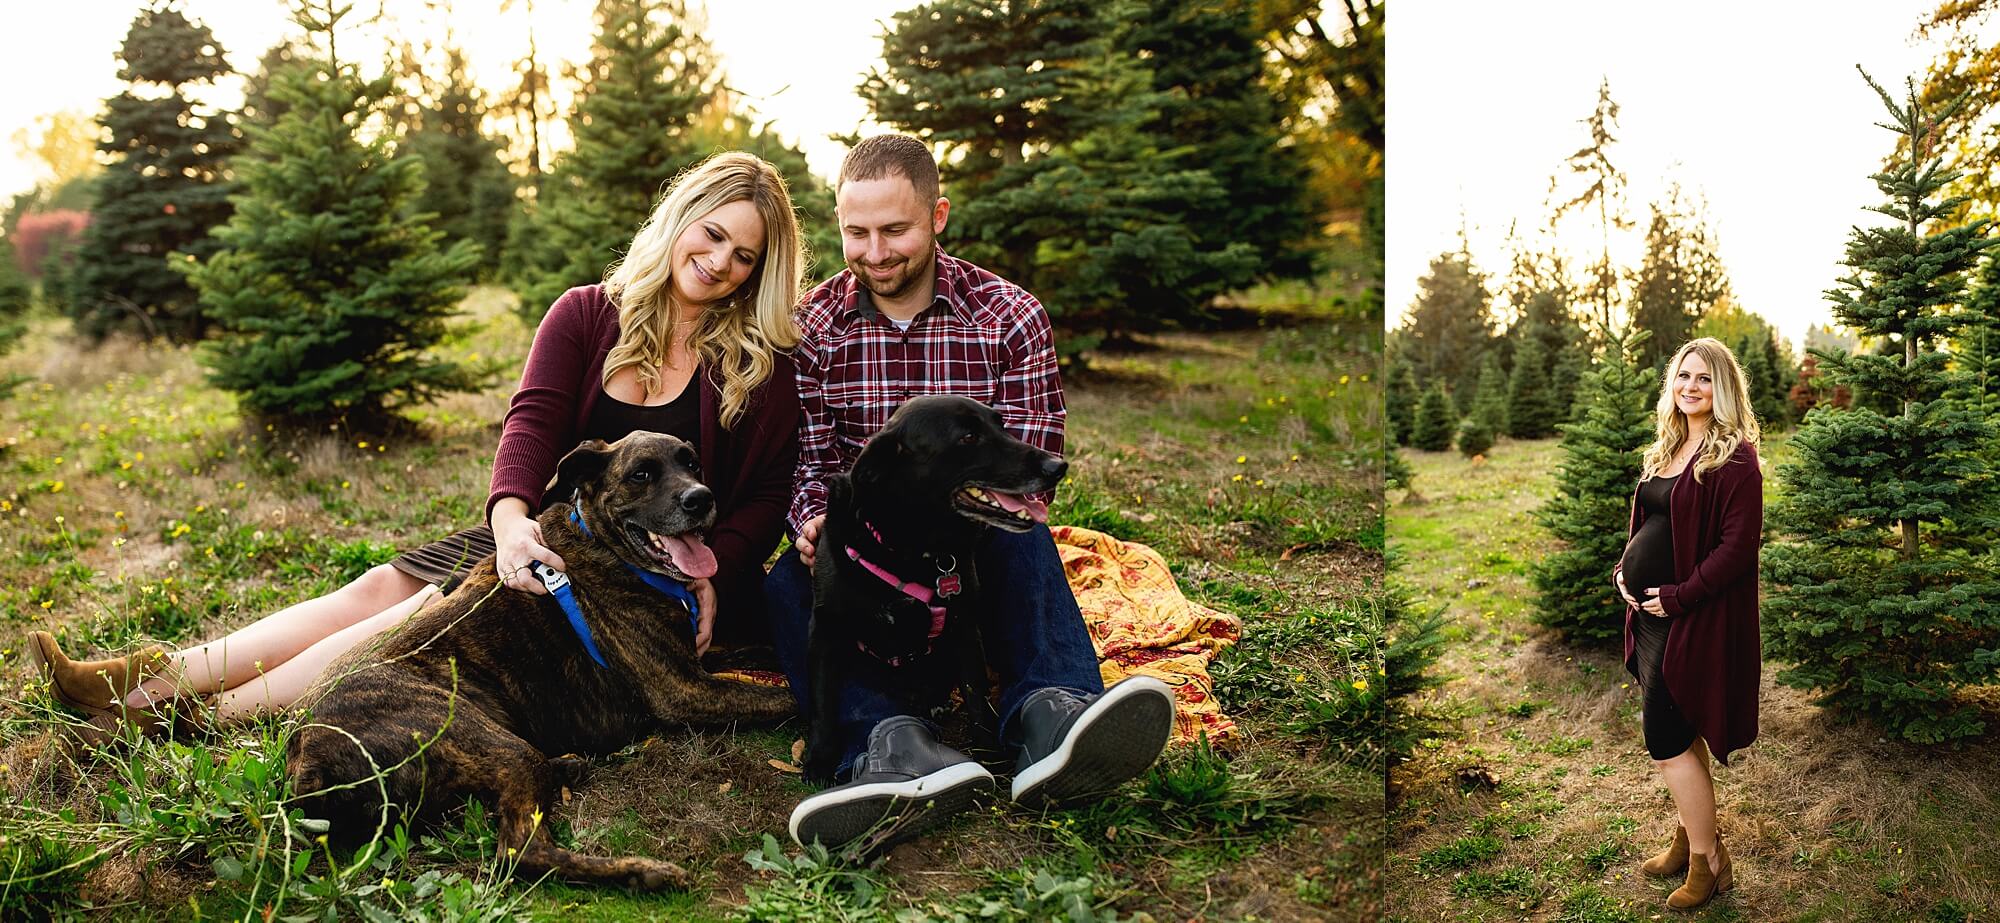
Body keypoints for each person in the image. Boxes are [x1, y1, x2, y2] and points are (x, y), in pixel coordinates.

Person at [31, 151, 806, 736]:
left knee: (414, 616)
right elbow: (531, 425)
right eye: (713, 235)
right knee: (378, 585)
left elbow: (770, 492)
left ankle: (192, 720)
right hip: (550, 539)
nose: (722, 263)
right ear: (681, 220)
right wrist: (509, 522)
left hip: (657, 575)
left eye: (746, 256)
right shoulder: (584, 314)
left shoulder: (754, 360)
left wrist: (713, 574)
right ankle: (142, 680)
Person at [767, 134, 1174, 852]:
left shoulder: (1008, 317)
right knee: (787, 586)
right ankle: (888, 745)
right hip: (867, 548)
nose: (874, 251)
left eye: (895, 229)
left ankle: (1051, 713)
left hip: (973, 539)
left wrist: (977, 514)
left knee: (1024, 535)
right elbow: (809, 460)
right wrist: (813, 520)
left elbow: (1034, 459)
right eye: (855, 232)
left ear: (939, 215)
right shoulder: (814, 327)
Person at [1612, 337, 1762, 910]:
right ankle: (1692, 835)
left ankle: (1710, 865)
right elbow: (1650, 523)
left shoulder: (1735, 457)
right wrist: (1624, 571)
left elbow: (1736, 548)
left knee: (1667, 740)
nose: (1690, 387)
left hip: (1690, 617)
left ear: (1722, 387)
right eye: (1682, 376)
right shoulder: (1668, 447)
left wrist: (1676, 597)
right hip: (1650, 615)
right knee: (1681, 730)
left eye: (1703, 378)